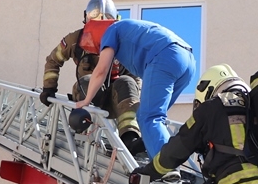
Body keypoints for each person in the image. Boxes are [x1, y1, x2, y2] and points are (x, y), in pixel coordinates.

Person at [39, 0, 145, 154]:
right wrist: (49, 88)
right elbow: (53, 60)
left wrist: (135, 99)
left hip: (115, 99)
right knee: (88, 80)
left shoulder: (123, 42)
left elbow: (135, 75)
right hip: (86, 97)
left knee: (127, 82)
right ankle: (85, 132)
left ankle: (129, 138)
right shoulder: (75, 40)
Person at [82, 19, 196, 157]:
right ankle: (153, 149)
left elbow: (101, 70)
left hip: (165, 57)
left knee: (149, 117)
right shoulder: (127, 29)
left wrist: (86, 100)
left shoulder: (110, 32)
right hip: (187, 61)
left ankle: (165, 164)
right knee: (154, 117)